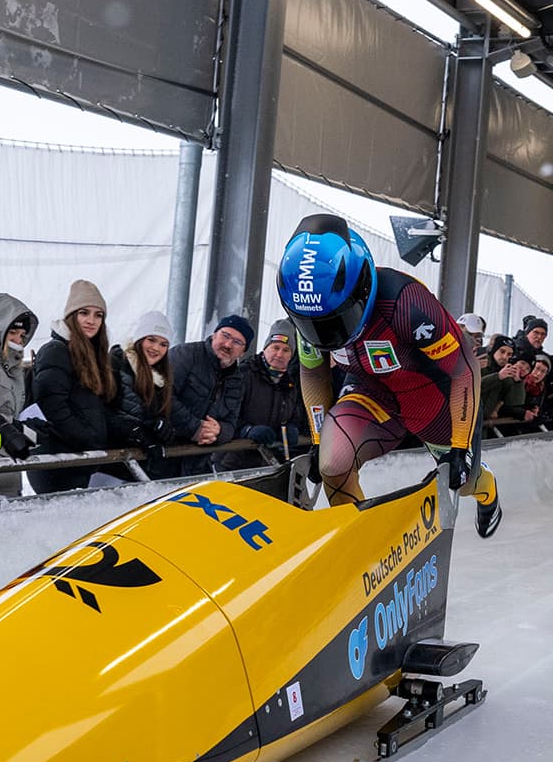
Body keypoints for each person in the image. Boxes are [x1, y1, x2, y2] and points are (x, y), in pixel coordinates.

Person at [277, 212, 501, 537]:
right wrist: (318, 438)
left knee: (462, 480)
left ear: (362, 288)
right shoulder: (307, 315)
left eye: (337, 319)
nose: (325, 335)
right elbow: (314, 375)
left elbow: (463, 367)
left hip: (429, 397)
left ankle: (487, 487)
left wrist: (459, 446)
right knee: (332, 464)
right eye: (311, 325)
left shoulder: (406, 302)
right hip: (369, 392)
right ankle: (363, 544)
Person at [26, 280, 132, 495]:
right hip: (56, 462)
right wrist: (88, 441)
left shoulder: (93, 356)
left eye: (98, 315)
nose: (91, 320)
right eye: (84, 313)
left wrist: (130, 431)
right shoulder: (55, 351)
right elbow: (52, 407)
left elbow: (96, 410)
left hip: (80, 460)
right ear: (71, 316)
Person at [0, 292, 39, 498]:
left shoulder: (13, 366)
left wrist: (29, 430)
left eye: (22, 336)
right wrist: (20, 430)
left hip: (8, 474)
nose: (18, 340)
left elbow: (10, 415)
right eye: (13, 332)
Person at [168, 314, 251, 474]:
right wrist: (195, 428)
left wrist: (219, 431)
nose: (228, 344)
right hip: (161, 458)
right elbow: (162, 397)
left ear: (243, 352)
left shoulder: (237, 380)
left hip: (197, 466)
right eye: (225, 335)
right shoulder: (185, 354)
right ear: (214, 334)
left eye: (237, 342)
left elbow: (231, 423)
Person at [219, 327, 302, 471]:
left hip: (268, 464)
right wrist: (246, 430)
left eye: (286, 350)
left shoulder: (290, 383)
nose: (279, 354)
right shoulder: (243, 374)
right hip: (230, 462)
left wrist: (292, 428)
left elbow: (295, 415)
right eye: (275, 347)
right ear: (265, 349)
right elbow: (223, 414)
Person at [107, 309, 175, 479]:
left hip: (139, 460)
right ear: (139, 340)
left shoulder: (160, 378)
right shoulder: (116, 362)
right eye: (151, 340)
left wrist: (162, 426)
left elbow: (151, 416)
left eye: (163, 344)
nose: (156, 348)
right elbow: (103, 410)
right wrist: (137, 432)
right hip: (111, 460)